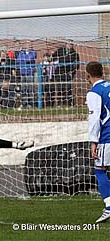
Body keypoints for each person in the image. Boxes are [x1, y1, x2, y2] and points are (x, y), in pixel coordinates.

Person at [86, 61, 110, 223]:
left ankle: (109, 207)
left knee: (100, 170)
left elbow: (95, 119)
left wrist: (93, 141)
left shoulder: (94, 92)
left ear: (88, 75)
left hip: (106, 137)